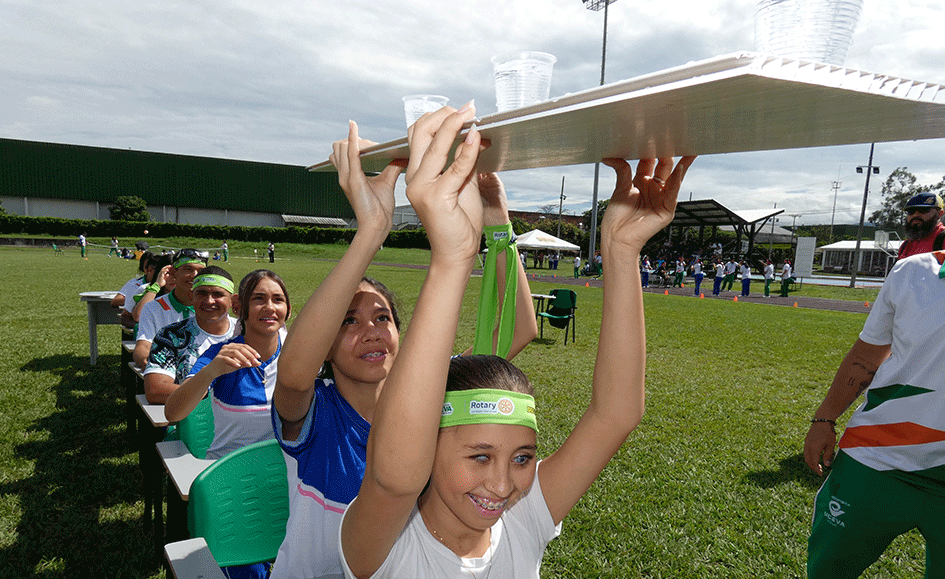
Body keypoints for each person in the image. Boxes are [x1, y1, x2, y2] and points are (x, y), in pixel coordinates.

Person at [338, 105, 695, 579]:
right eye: (480, 456)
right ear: (428, 445)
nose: (503, 484)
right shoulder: (383, 545)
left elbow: (616, 414)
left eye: (522, 458)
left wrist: (622, 250)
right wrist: (453, 257)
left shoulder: (523, 518)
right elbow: (395, 475)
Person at [267, 116, 537, 579]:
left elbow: (517, 332)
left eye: (382, 318)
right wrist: (371, 229)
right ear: (325, 348)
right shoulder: (319, 414)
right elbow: (293, 375)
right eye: (348, 321)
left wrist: (498, 223)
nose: (370, 330)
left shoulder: (432, 395)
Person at [803, 249, 945, 578]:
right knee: (828, 571)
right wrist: (824, 419)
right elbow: (867, 356)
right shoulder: (913, 271)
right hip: (876, 459)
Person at [143, 266, 237, 404]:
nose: (209, 301)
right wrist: (216, 397)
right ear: (191, 296)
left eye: (218, 294)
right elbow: (155, 390)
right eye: (201, 293)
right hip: (192, 420)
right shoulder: (171, 336)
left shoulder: (246, 333)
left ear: (232, 301)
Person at [133, 248, 207, 369]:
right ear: (174, 272)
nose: (194, 275)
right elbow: (143, 348)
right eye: (188, 269)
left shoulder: (210, 307)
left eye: (200, 270)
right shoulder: (153, 307)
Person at [897, 192, 945, 259]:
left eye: (923, 210)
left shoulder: (943, 240)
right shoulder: (905, 245)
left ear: (940, 213)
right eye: (911, 211)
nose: (915, 215)